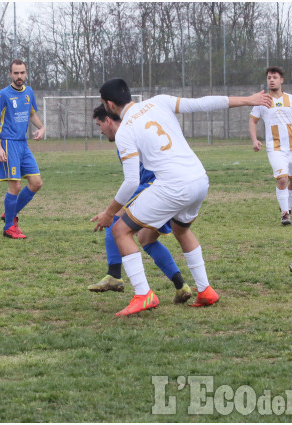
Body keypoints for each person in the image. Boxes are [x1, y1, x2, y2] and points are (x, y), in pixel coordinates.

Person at [92, 78, 272, 316]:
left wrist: (109, 212)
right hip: (199, 179)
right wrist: (247, 100)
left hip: (172, 186)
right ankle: (205, 290)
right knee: (179, 230)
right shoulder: (159, 101)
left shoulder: (125, 129)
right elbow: (203, 103)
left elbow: (131, 182)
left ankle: (143, 294)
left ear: (109, 104)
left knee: (120, 231)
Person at [89, 105, 192, 303]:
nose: (100, 130)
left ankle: (114, 275)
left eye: (99, 124)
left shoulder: (126, 135)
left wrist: (112, 211)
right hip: (170, 186)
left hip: (154, 186)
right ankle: (181, 286)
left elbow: (133, 180)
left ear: (108, 121)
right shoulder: (135, 129)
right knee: (147, 240)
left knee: (114, 222)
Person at [0, 59, 45, 239]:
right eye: (16, 73)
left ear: (26, 73)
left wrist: (42, 127)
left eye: (22, 73)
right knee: (15, 185)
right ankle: (8, 227)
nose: (19, 76)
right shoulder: (3, 94)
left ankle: (9, 213)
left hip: (23, 144)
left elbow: (32, 114)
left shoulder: (29, 92)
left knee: (36, 183)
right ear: (10, 74)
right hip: (8, 143)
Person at [249, 66, 292, 225]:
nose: (271, 80)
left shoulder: (291, 99)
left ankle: (287, 208)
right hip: (275, 148)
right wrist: (254, 140)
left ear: (281, 80)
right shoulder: (263, 100)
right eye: (269, 77)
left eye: (274, 77)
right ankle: (285, 214)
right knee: (282, 179)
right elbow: (253, 120)